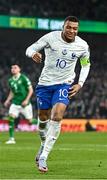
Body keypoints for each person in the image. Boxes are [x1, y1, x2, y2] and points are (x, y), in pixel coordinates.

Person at [26, 16, 91, 173]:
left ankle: (43, 157)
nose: (71, 31)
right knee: (43, 120)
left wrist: (80, 84)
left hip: (64, 84)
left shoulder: (82, 46)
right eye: (69, 27)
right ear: (63, 26)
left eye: (75, 28)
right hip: (45, 85)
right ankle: (43, 143)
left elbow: (86, 65)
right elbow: (30, 48)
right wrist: (33, 54)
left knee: (57, 116)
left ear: (78, 29)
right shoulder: (51, 37)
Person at [4, 64, 33, 144]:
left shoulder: (23, 78)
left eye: (15, 67)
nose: (13, 69)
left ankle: (44, 123)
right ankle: (11, 138)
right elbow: (12, 92)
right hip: (15, 103)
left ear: (19, 69)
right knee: (11, 118)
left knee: (30, 121)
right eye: (12, 68)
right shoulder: (10, 80)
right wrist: (8, 100)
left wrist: (26, 100)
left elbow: (31, 90)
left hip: (25, 104)